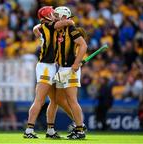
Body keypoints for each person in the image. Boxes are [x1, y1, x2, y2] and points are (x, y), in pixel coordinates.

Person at [23, 6, 75, 139]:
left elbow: (36, 28)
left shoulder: (43, 26)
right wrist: (68, 21)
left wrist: (38, 26)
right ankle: (29, 130)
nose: (55, 14)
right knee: (39, 100)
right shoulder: (50, 25)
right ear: (47, 16)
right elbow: (69, 22)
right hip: (46, 67)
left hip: (51, 66)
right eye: (53, 13)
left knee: (54, 101)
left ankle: (50, 130)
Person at [53, 6, 88, 139]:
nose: (54, 17)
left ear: (63, 17)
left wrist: (76, 63)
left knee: (72, 100)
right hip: (62, 69)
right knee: (59, 100)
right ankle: (80, 124)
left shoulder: (71, 30)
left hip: (70, 69)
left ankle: (79, 130)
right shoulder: (59, 30)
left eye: (57, 15)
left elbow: (83, 45)